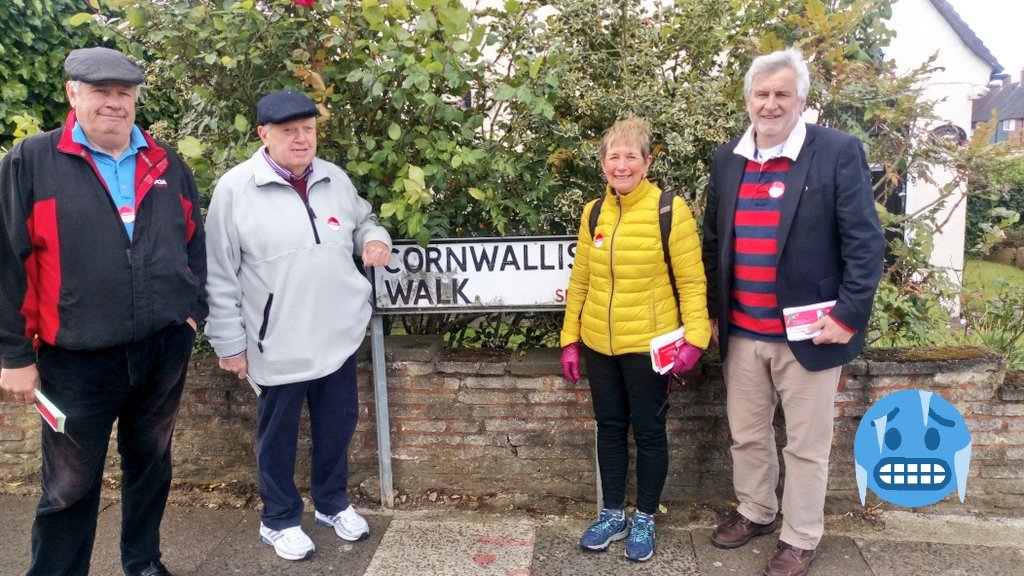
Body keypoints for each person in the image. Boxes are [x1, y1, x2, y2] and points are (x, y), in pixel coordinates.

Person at [0, 47, 207, 576]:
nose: (113, 103)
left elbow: (194, 245)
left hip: (161, 350)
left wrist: (191, 312)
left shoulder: (166, 163)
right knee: (68, 484)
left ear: (136, 98)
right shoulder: (31, 161)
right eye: (100, 91)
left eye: (124, 93)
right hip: (74, 359)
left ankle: (143, 563)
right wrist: (13, 355)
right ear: (73, 94)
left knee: (151, 465)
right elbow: (7, 261)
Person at [702, 48, 884, 576]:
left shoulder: (836, 151)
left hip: (813, 335)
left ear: (801, 99)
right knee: (748, 433)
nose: (771, 103)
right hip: (742, 331)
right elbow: (715, 241)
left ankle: (801, 536)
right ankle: (757, 510)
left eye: (782, 93)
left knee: (806, 447)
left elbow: (865, 244)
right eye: (762, 93)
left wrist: (848, 316)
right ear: (747, 100)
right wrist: (715, 315)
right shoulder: (728, 158)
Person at [203, 89, 392, 561]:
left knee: (337, 425)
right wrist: (229, 343)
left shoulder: (334, 178)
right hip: (277, 341)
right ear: (264, 134)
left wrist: (374, 239)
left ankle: (331, 503)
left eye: (308, 129)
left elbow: (364, 220)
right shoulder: (234, 189)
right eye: (289, 131)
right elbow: (219, 274)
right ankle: (279, 519)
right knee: (279, 436)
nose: (301, 139)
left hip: (337, 334)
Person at [559, 115, 711, 562]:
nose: (621, 165)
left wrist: (696, 339)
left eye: (630, 156)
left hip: (649, 346)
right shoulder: (593, 213)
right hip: (599, 345)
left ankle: (644, 517)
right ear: (603, 163)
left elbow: (692, 282)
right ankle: (611, 514)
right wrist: (570, 339)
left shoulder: (669, 209)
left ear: (646, 163)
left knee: (648, 431)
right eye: (613, 156)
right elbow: (580, 281)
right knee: (608, 429)